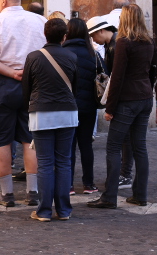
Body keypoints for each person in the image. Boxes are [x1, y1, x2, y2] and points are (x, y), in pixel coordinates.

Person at [87, 4, 157, 209]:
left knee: (113, 147)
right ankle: (140, 195)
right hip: (145, 98)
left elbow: (116, 78)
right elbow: (155, 70)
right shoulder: (149, 41)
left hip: (127, 100)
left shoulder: (124, 42)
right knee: (139, 147)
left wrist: (110, 108)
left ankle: (109, 197)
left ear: (124, 20)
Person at [0, 0, 47, 207]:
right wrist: (25, 73)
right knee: (30, 138)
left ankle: (7, 194)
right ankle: (32, 192)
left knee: (1, 140)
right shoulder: (40, 21)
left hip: (1, 84)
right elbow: (47, 53)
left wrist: (11, 73)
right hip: (33, 84)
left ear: (2, 1)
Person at [23, 18, 79, 221]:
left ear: (45, 34)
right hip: (67, 112)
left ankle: (44, 211)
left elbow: (26, 89)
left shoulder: (33, 57)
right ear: (64, 36)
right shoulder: (72, 56)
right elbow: (75, 86)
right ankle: (63, 210)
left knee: (45, 163)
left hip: (41, 113)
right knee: (64, 162)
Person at [88, 12, 134, 191]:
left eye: (93, 35)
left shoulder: (115, 46)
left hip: (122, 99)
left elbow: (116, 78)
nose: (93, 40)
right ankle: (124, 174)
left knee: (123, 140)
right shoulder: (112, 44)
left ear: (101, 31)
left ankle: (124, 175)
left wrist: (111, 107)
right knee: (126, 140)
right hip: (126, 98)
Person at [62, 18, 99, 195]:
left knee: (68, 146)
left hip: (67, 106)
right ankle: (88, 184)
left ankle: (68, 185)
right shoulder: (93, 54)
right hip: (88, 106)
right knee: (86, 145)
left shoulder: (62, 53)